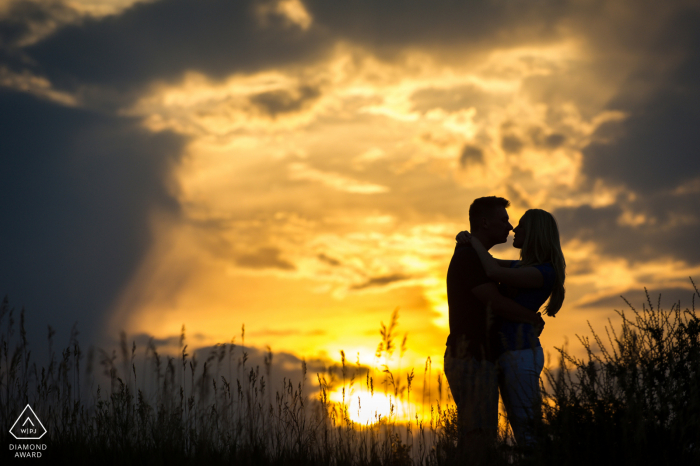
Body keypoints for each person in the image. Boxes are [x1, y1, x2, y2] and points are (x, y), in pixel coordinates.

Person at [456, 208, 566, 446]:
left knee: (528, 433)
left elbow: (492, 270)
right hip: (509, 354)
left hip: (521, 354)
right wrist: (465, 240)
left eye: (522, 226)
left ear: (535, 233)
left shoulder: (544, 272)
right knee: (523, 430)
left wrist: (473, 240)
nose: (515, 229)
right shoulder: (523, 267)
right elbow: (488, 261)